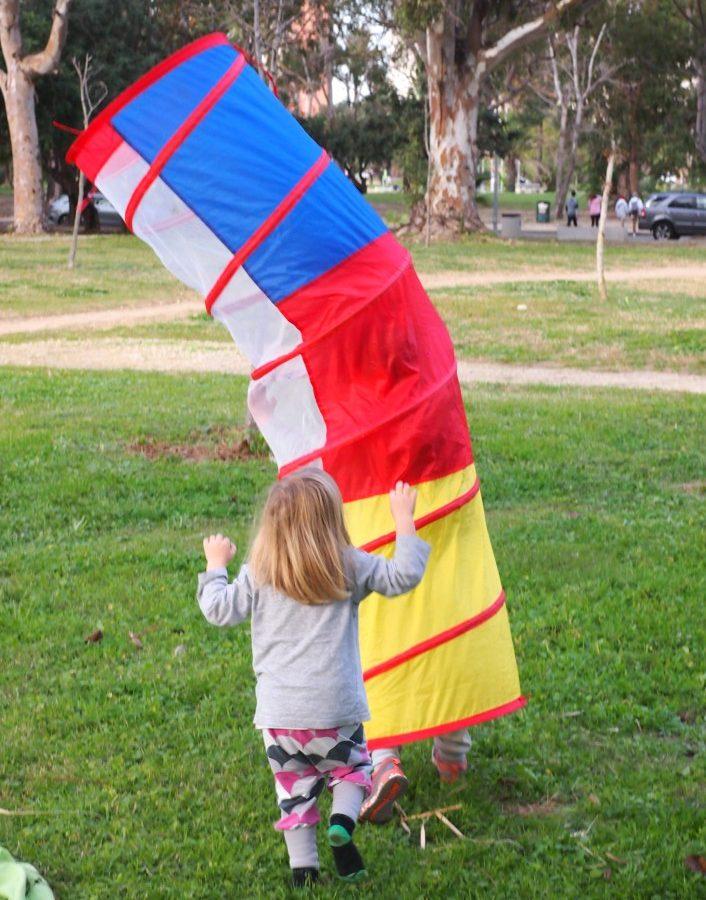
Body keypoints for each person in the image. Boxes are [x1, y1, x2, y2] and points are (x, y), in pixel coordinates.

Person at [197, 470, 430, 889]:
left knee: (294, 788)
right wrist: (403, 521)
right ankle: (342, 822)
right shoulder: (348, 565)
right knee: (353, 770)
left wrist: (216, 566)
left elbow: (218, 609)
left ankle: (303, 872)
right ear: (332, 520)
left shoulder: (259, 571)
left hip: (280, 717)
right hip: (335, 711)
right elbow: (403, 576)